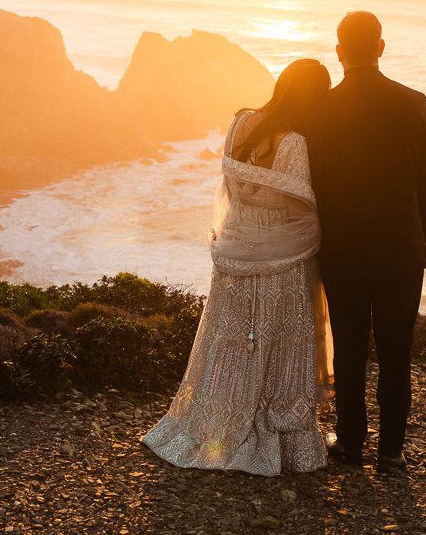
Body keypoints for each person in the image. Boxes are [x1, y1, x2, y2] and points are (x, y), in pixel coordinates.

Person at [142, 59, 335, 476]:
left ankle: (212, 421)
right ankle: (271, 433)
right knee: (277, 341)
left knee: (230, 340)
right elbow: (299, 208)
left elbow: (234, 188)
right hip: (280, 259)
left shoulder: (240, 123)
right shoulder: (295, 143)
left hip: (234, 253)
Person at [306, 11, 426, 474]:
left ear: (339, 52)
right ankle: (392, 452)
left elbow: (313, 182)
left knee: (349, 349)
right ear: (382, 47)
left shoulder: (321, 109)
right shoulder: (414, 102)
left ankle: (350, 445)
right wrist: (420, 233)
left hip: (343, 249)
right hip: (401, 252)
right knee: (396, 352)